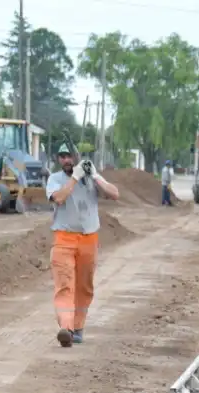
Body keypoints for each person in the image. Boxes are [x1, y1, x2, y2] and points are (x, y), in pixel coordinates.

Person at [46, 141, 120, 348]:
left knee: (84, 287)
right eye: (62, 157)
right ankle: (67, 329)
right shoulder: (55, 179)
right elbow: (59, 198)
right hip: (64, 239)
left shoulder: (90, 178)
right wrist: (75, 178)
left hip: (89, 239)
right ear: (59, 160)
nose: (67, 160)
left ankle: (78, 328)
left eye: (70, 156)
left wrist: (94, 176)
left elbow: (115, 194)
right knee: (65, 286)